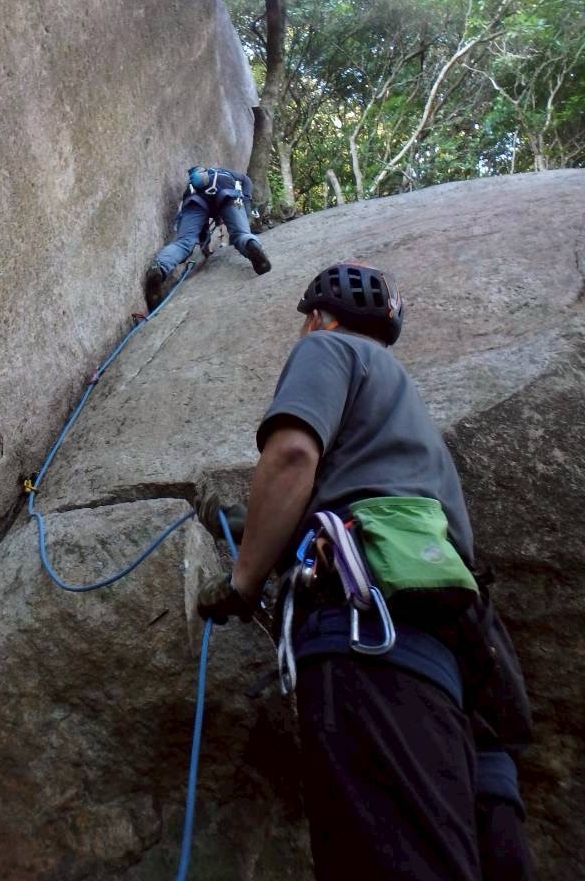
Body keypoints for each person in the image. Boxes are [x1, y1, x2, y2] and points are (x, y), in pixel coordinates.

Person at [196, 262, 534, 881]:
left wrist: (243, 581)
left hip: (366, 642)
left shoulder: (326, 347)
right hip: (457, 673)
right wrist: (259, 524)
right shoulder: (410, 419)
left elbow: (293, 454)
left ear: (316, 318)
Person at [144, 165, 271, 310]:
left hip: (195, 199)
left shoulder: (193, 185)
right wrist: (246, 205)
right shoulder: (224, 172)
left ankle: (159, 268)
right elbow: (246, 180)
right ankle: (251, 245)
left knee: (183, 243)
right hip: (228, 193)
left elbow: (201, 227)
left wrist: (205, 247)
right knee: (241, 234)